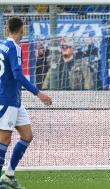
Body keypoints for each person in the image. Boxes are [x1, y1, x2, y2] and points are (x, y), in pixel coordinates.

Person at [0, 17, 52, 189]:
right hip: (6, 99)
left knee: (27, 135)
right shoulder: (14, 47)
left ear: (7, 29)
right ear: (22, 30)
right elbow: (17, 74)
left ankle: (9, 175)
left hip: (15, 99)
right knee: (4, 139)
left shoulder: (2, 45)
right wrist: (39, 93)